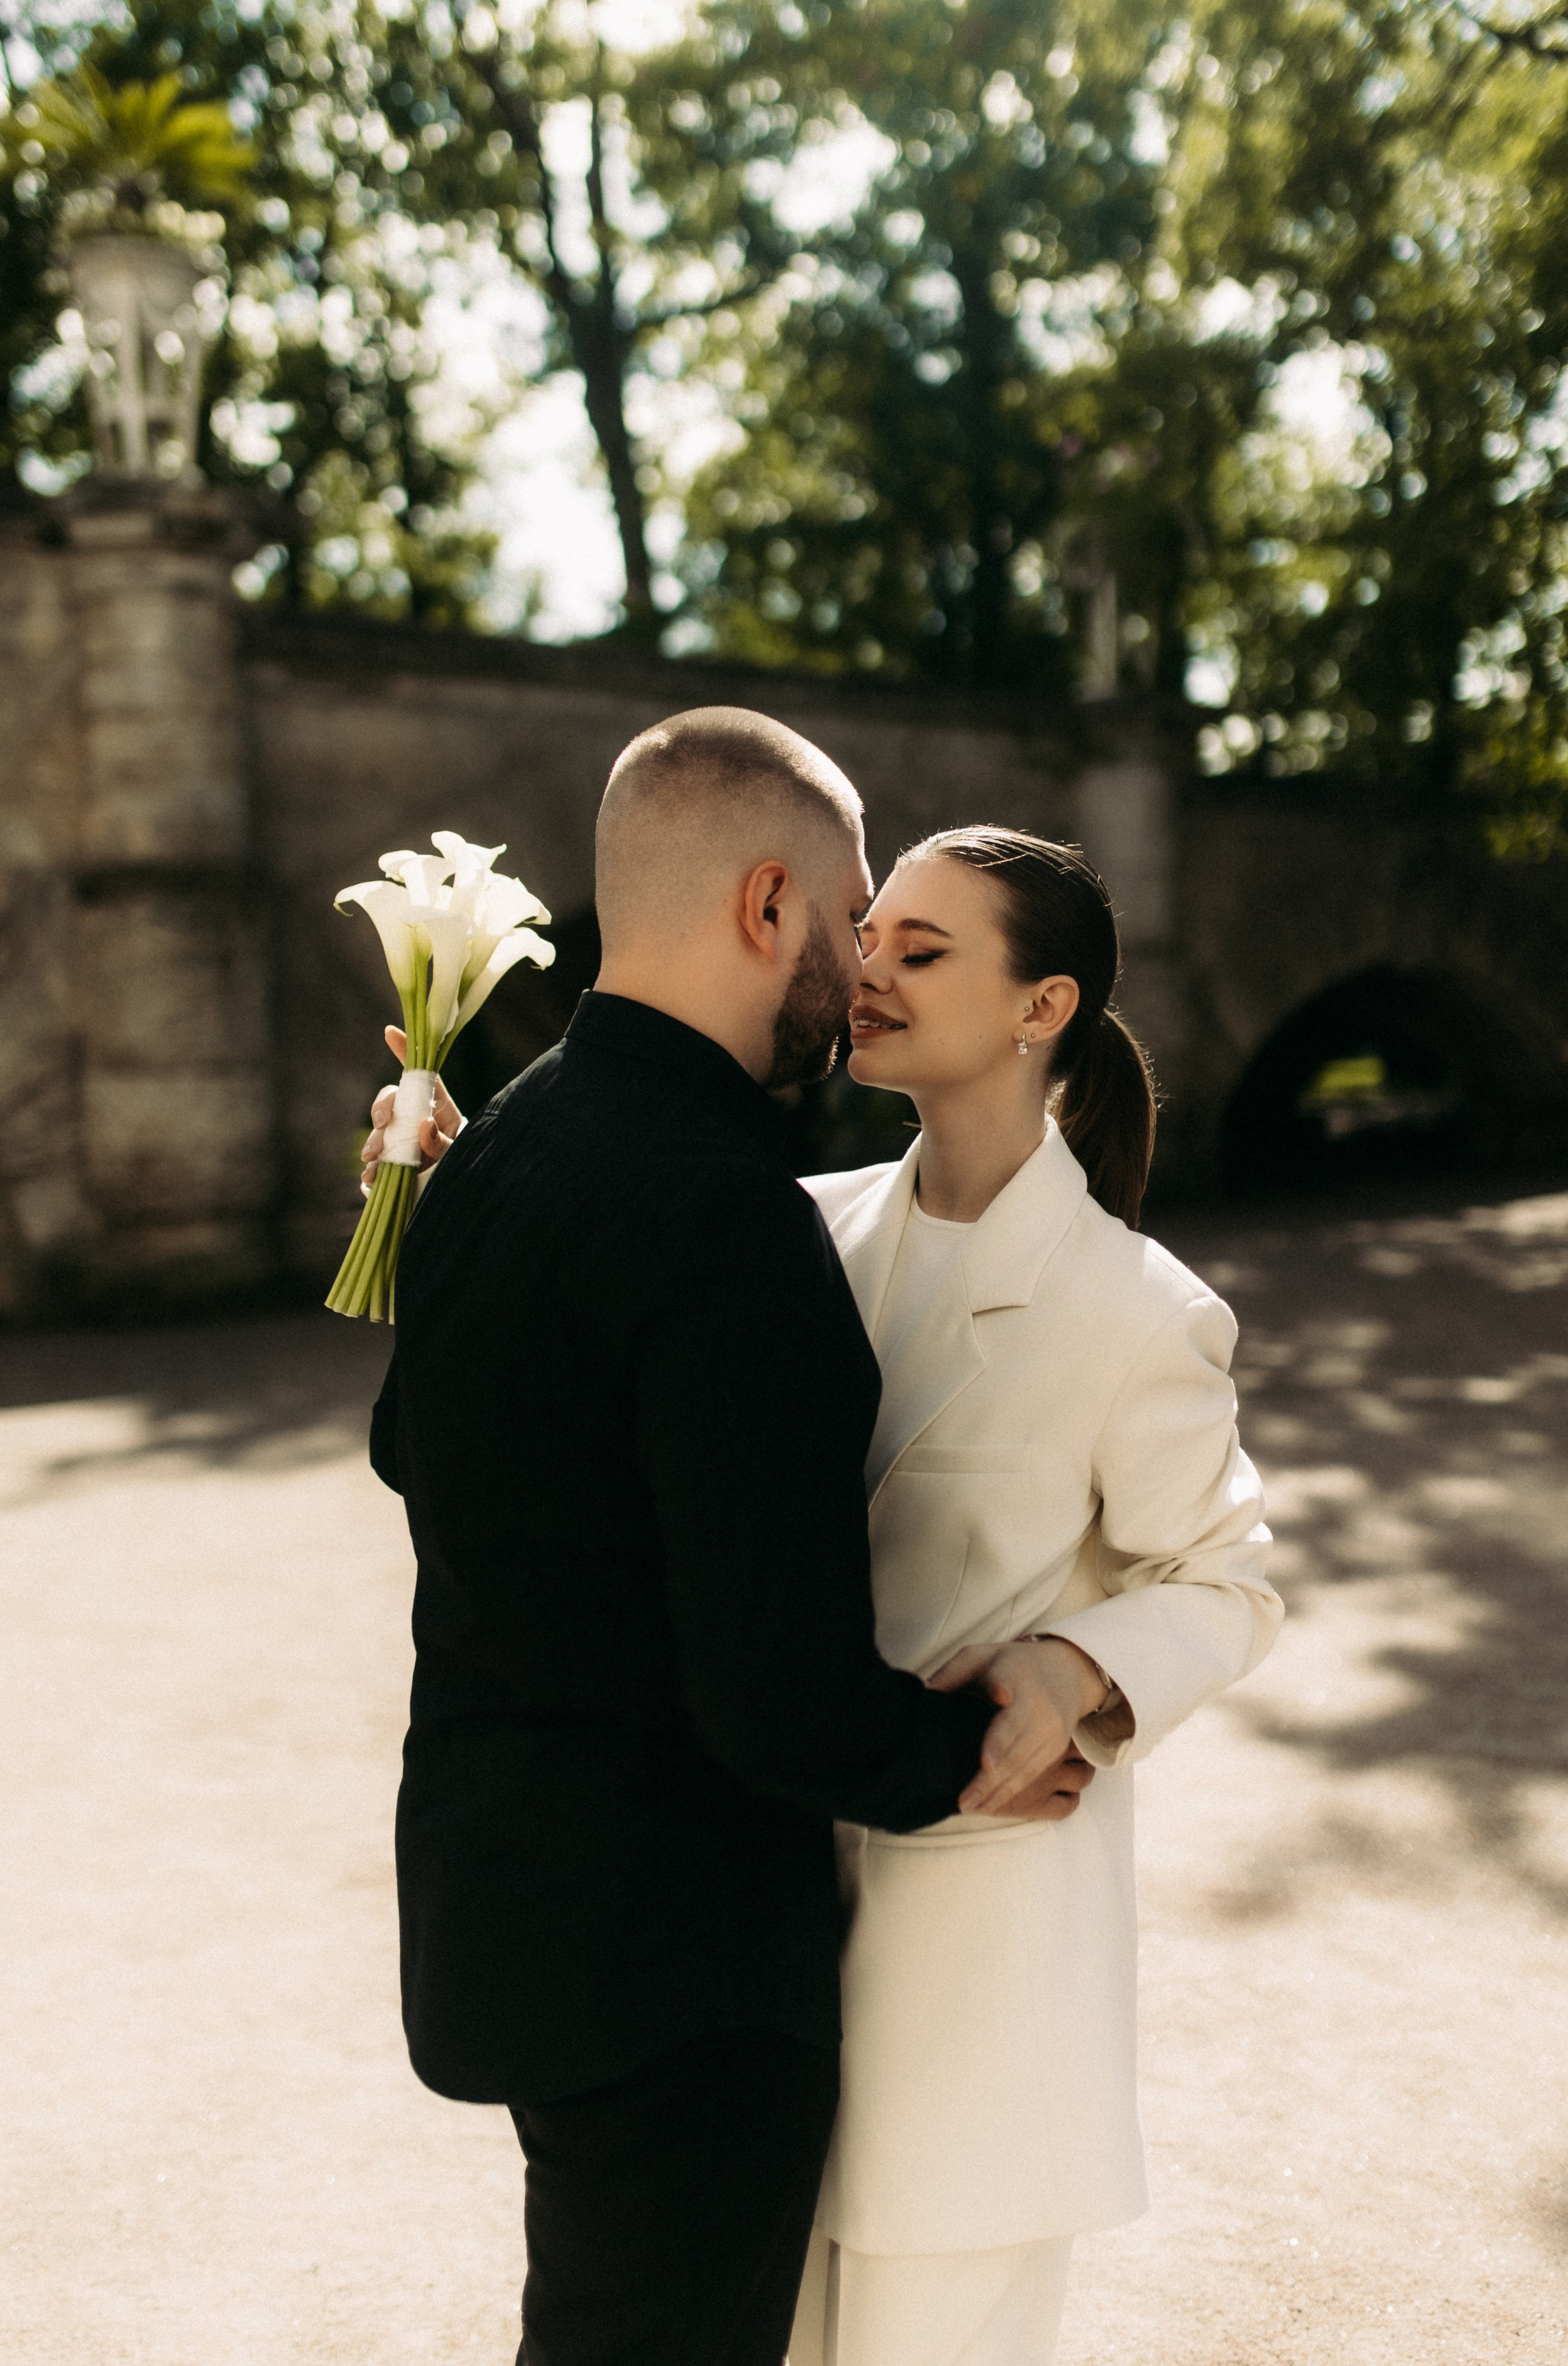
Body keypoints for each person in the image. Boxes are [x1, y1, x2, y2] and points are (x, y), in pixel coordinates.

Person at [365, 711, 1044, 2366]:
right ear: (766, 907)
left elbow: (412, 1449)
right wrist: (983, 1737)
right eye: (853, 910)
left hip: (509, 1908)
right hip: (678, 1971)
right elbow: (778, 1695)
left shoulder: (495, 1145)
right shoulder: (722, 1220)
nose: (865, 959)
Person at [780, 825, 1282, 2366]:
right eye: (870, 937)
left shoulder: (1139, 1312)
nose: (866, 971)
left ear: (1039, 1006)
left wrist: (1074, 1667)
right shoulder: (792, 1231)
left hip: (988, 1954)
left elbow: (1225, 1581)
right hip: (771, 1925)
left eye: (919, 952)